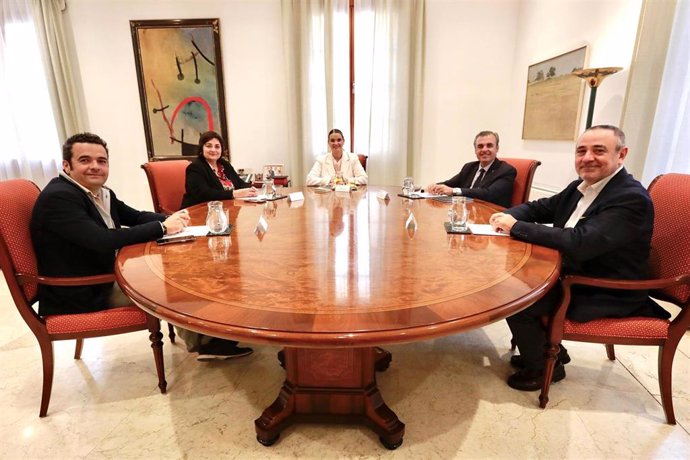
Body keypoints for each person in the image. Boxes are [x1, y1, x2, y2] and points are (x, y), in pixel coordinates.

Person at [31, 132, 253, 361]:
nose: (95, 167)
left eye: (102, 161)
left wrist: (178, 218)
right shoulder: (59, 198)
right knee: (179, 284)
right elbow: (102, 239)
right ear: (66, 165)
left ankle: (207, 337)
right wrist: (163, 227)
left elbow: (135, 216)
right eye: (85, 160)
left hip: (106, 270)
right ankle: (207, 344)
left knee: (185, 271)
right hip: (84, 291)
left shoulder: (99, 192)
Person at [489, 125, 670, 391]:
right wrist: (510, 215)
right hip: (578, 272)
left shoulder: (629, 198)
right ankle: (548, 351)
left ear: (621, 155)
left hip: (604, 288)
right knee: (514, 278)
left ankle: (544, 369)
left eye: (599, 151)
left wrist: (515, 227)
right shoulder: (582, 186)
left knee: (515, 298)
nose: (587, 158)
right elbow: (541, 207)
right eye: (581, 151)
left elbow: (580, 242)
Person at [426, 130, 516, 208]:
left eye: (489, 145)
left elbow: (488, 194)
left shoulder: (506, 171)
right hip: (466, 213)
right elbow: (450, 184)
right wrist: (435, 186)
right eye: (480, 146)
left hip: (491, 216)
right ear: (475, 150)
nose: (484, 149)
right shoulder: (469, 167)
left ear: (497, 148)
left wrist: (454, 190)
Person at [180, 131, 257, 208]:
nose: (213, 150)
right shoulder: (195, 168)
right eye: (209, 146)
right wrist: (234, 194)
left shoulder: (225, 165)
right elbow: (204, 194)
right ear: (201, 148)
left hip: (226, 209)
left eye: (217, 147)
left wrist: (250, 189)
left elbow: (240, 183)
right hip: (198, 211)